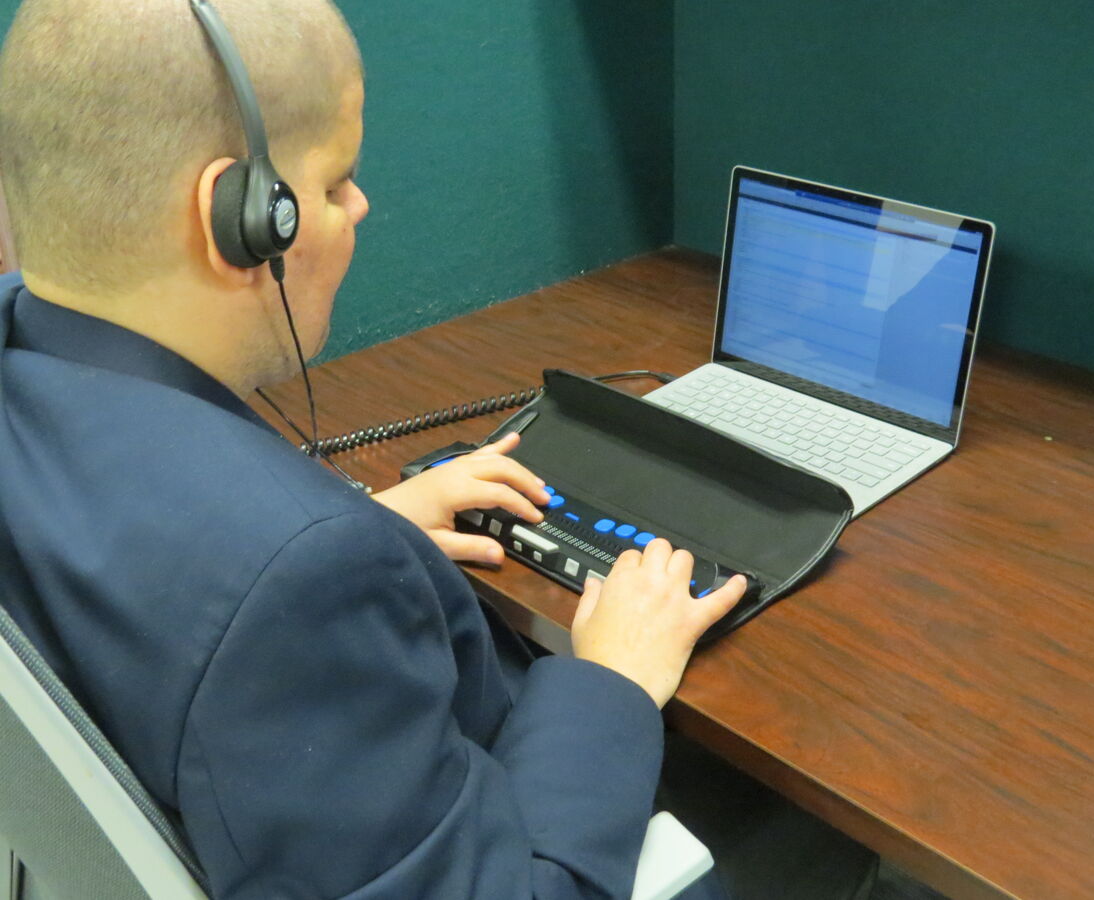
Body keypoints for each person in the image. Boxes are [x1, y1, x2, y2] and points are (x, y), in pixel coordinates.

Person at [0, 1, 876, 897]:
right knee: (837, 832)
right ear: (243, 221)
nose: (361, 206)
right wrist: (610, 680)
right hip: (518, 820)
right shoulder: (291, 581)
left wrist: (360, 527)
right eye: (337, 183)